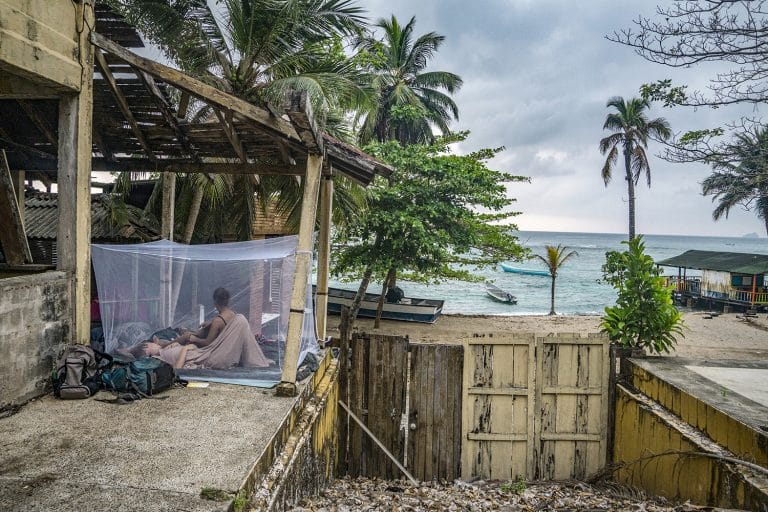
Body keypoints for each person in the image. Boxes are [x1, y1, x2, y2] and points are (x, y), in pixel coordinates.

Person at [134, 288, 273, 369]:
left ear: (215, 302)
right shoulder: (231, 315)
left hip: (213, 351)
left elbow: (208, 344)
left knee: (188, 335)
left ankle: (164, 344)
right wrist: (209, 323)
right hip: (218, 342)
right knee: (191, 332)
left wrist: (193, 339)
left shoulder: (218, 321)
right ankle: (165, 343)